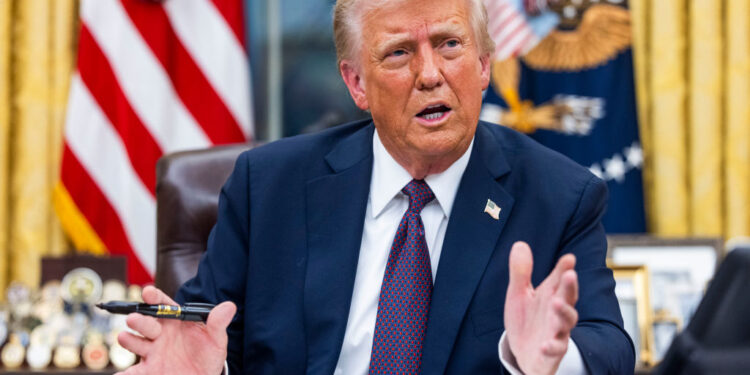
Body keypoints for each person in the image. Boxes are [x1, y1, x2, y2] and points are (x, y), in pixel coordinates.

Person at [115, 0, 634, 374]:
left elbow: (611, 346)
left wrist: (548, 358)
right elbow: (202, 340)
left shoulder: (560, 195)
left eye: (450, 44)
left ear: (483, 65)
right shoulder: (267, 187)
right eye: (399, 53)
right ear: (356, 84)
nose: (430, 74)